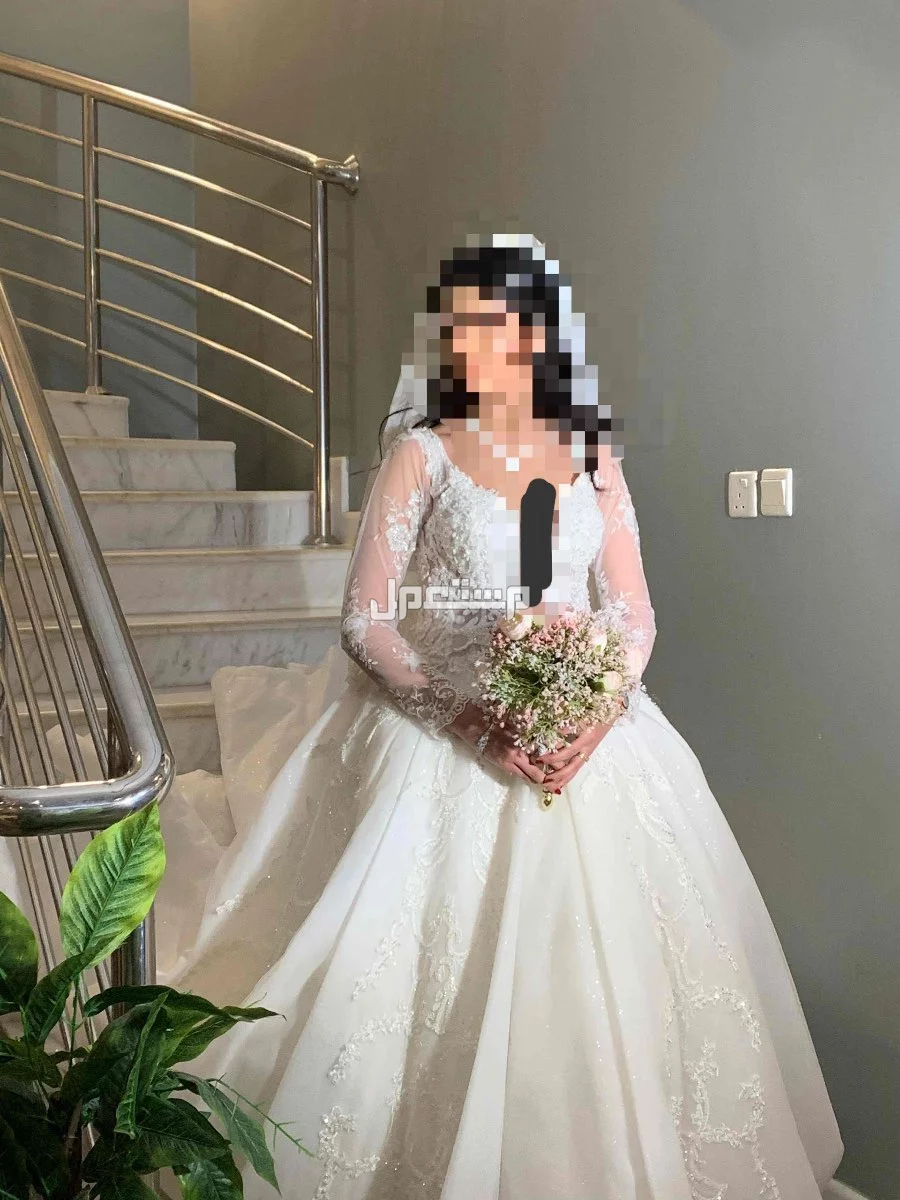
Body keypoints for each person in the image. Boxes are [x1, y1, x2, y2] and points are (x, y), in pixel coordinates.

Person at [159, 233, 844, 1198]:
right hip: (444, 725)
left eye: (492, 325)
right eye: (457, 327)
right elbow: (366, 620)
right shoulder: (423, 453)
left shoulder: (593, 453)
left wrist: (597, 711)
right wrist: (466, 718)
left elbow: (633, 613)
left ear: (537, 332)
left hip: (590, 733)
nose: (470, 345)